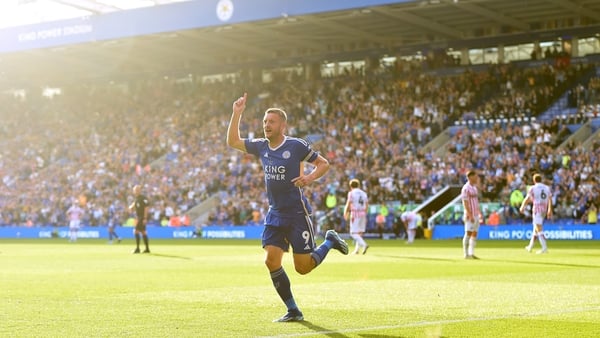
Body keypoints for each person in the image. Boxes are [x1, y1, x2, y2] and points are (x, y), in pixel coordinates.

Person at [227, 93, 348, 323]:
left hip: (296, 213)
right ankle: (293, 310)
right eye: (264, 122)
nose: (266, 126)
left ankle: (330, 241)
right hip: (275, 213)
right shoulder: (261, 146)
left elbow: (324, 163)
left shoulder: (296, 145)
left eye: (271, 122)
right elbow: (233, 141)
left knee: (303, 268)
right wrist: (236, 114)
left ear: (283, 125)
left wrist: (309, 178)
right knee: (271, 261)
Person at [519, 174, 552, 254]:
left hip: (537, 209)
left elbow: (527, 198)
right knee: (535, 229)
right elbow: (550, 199)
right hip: (544, 209)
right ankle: (530, 247)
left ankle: (544, 248)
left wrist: (522, 206)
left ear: (534, 180)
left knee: (538, 228)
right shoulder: (547, 188)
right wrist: (549, 209)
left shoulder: (533, 188)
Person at [344, 178, 369, 254]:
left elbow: (349, 203)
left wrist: (345, 212)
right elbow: (367, 204)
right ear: (358, 185)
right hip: (363, 213)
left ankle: (364, 245)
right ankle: (357, 250)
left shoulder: (351, 193)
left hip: (355, 214)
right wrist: (365, 214)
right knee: (359, 233)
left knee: (353, 233)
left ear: (350, 186)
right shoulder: (364, 193)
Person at [461, 171, 482, 259]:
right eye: (475, 176)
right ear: (470, 177)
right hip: (470, 215)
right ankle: (466, 254)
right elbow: (465, 202)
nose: (477, 178)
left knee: (474, 234)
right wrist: (470, 214)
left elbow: (476, 202)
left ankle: (471, 253)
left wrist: (479, 213)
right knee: (468, 233)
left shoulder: (474, 188)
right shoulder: (466, 188)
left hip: (476, 214)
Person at [129, 185, 150, 254]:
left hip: (141, 217)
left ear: (140, 190)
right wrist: (131, 207)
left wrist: (145, 218)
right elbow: (135, 204)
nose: (136, 191)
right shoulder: (137, 199)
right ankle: (147, 249)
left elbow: (146, 208)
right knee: (143, 232)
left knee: (135, 231)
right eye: (135, 190)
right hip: (138, 217)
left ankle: (137, 248)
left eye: (137, 190)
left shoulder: (143, 198)